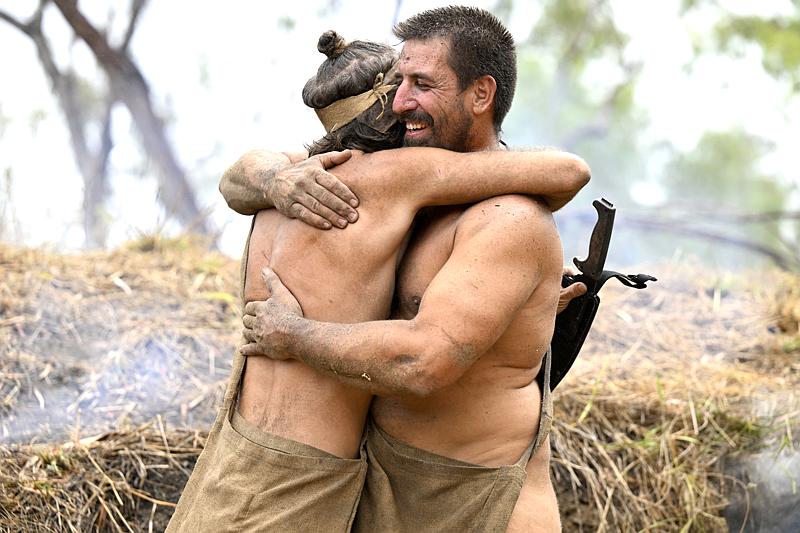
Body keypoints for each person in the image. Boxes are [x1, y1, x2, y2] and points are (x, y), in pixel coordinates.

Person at [167, 23, 588, 533]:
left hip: (473, 503)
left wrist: (294, 334)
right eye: (398, 82)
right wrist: (276, 179)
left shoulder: (505, 217)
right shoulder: (344, 180)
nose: (402, 101)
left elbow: (422, 361)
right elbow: (239, 177)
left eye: (422, 84)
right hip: (376, 492)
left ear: (481, 94)